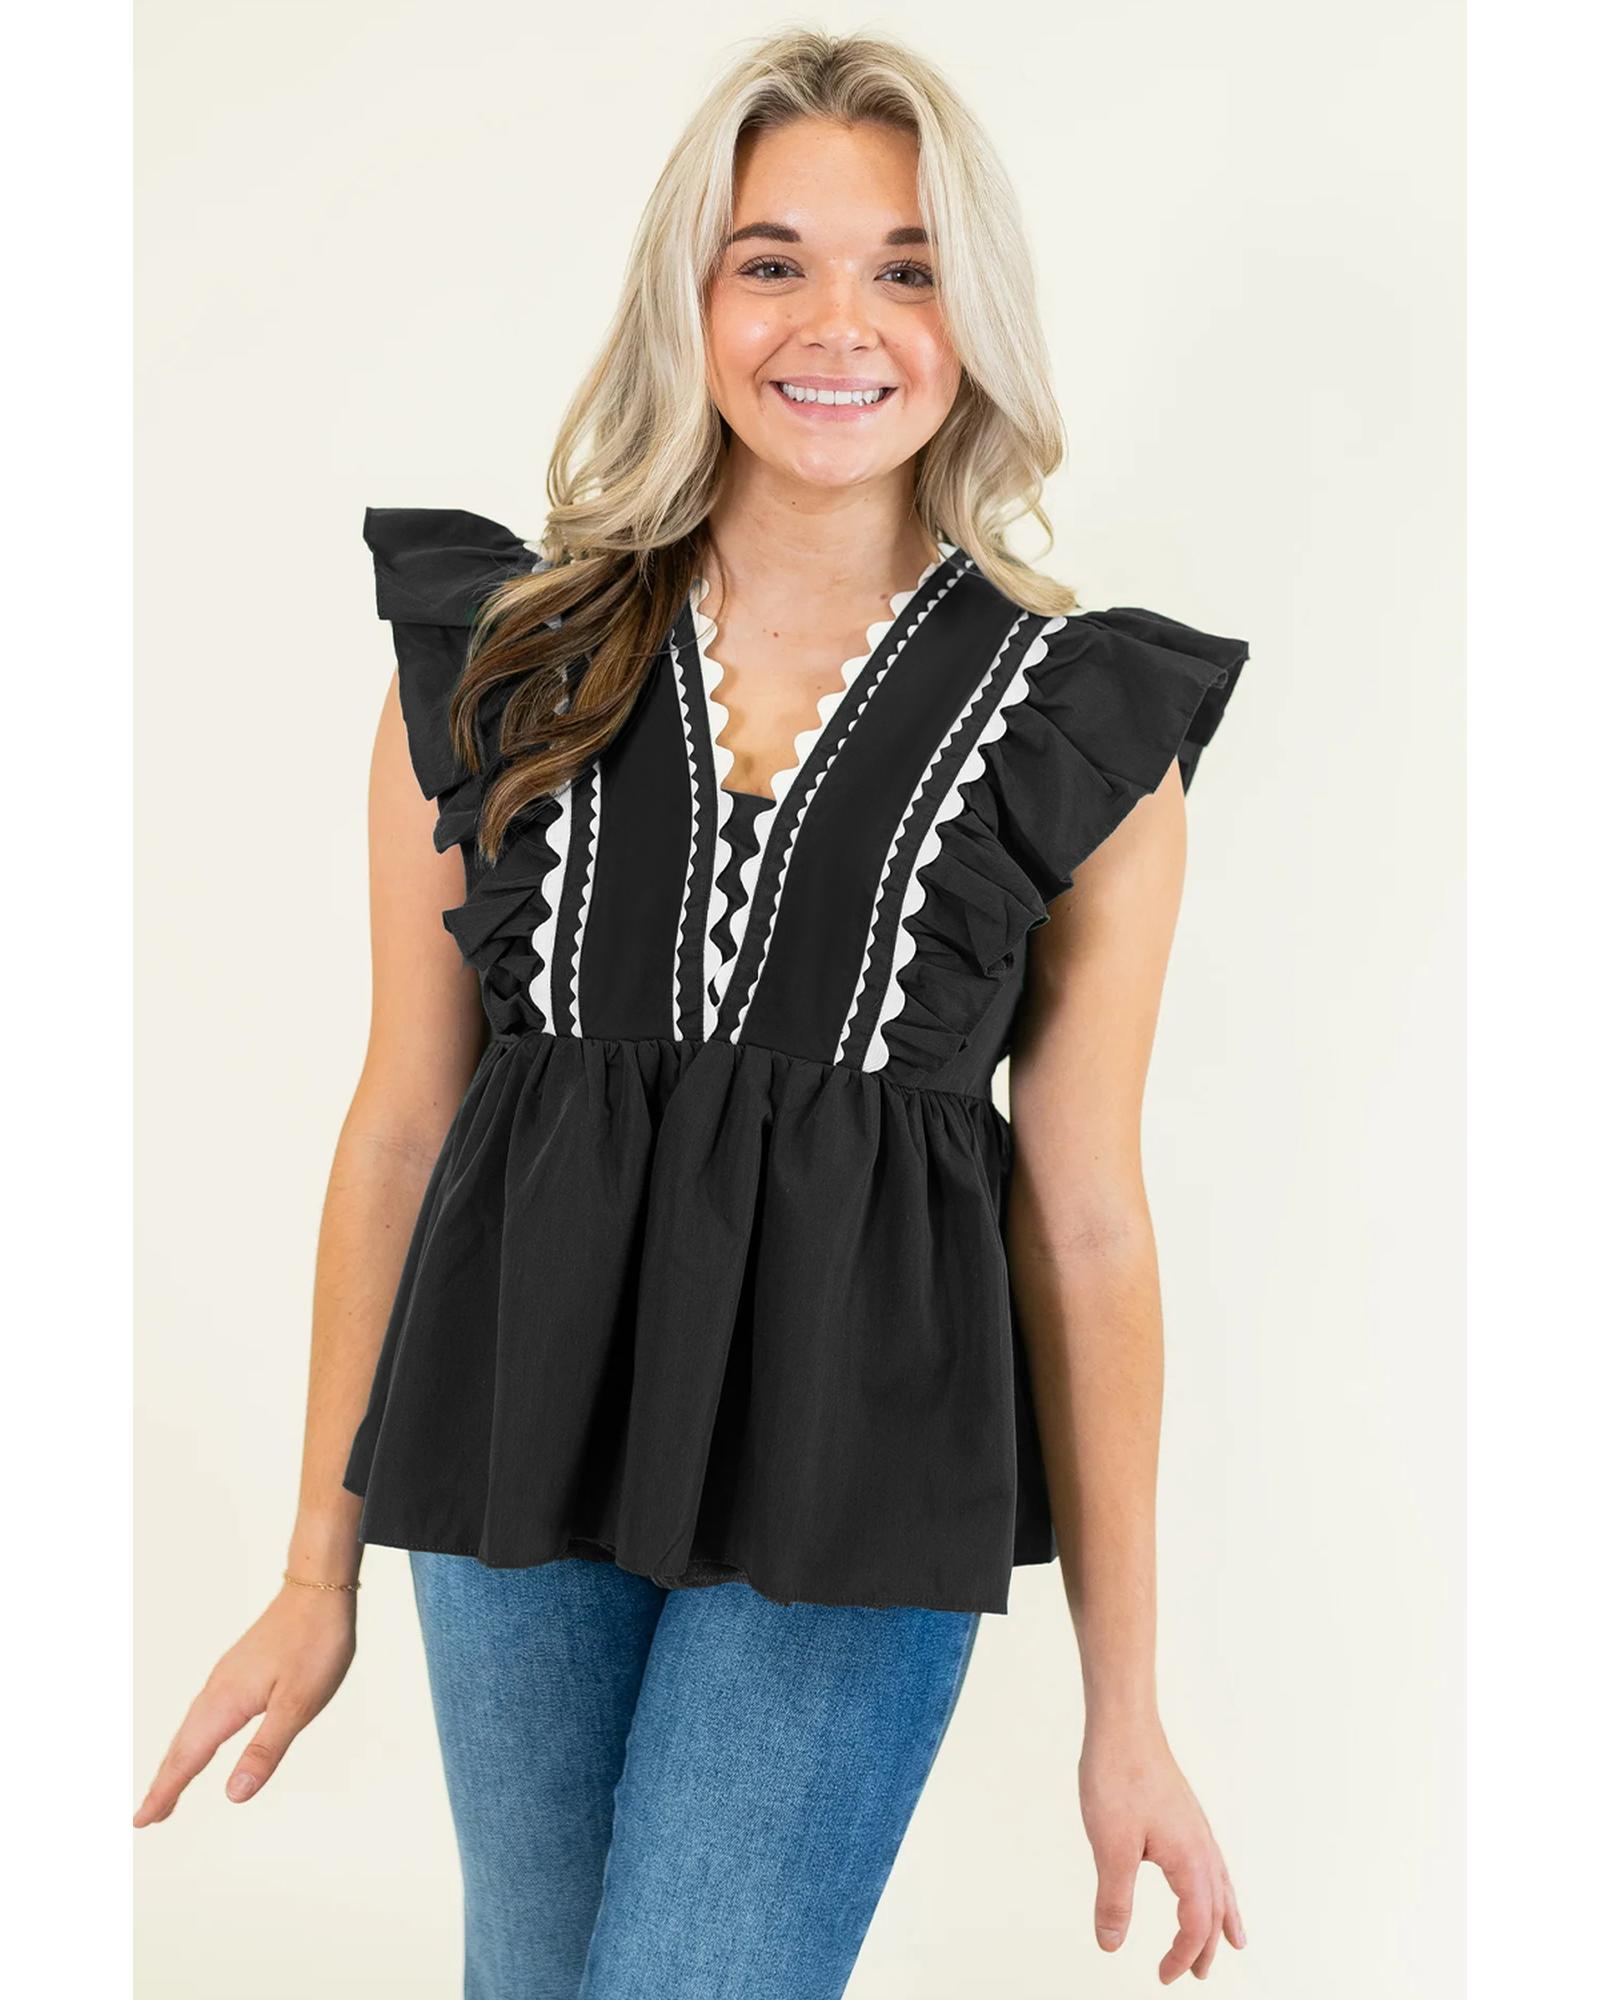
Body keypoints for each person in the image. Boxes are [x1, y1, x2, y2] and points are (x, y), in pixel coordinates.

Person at [135, 26, 1250, 1997]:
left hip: (858, 1479)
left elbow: (1084, 1219)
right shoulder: (501, 663)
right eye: (773, 262)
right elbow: (405, 1121)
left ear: (975, 316)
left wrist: (1126, 1709)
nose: (841, 323)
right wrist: (315, 1570)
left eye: (907, 267)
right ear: (691, 297)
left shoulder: (1080, 730)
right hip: (514, 1446)